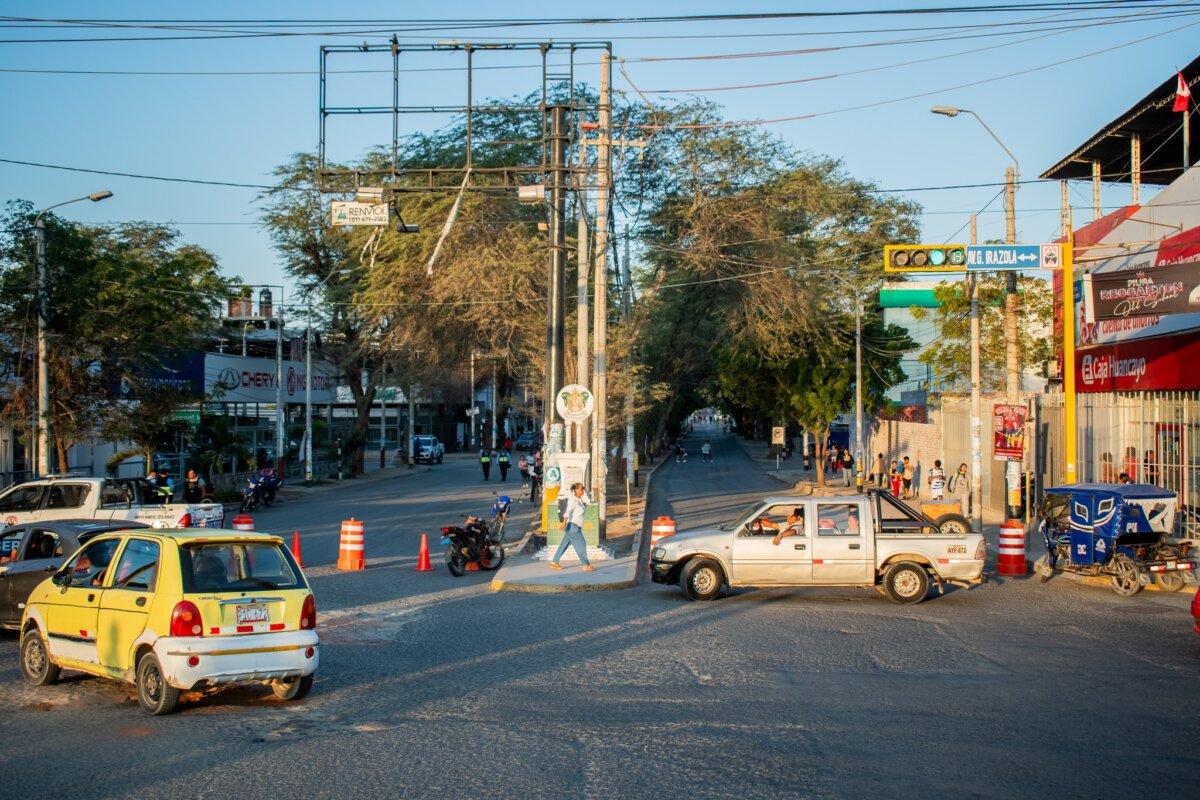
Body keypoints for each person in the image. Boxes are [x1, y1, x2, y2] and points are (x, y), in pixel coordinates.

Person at [550, 482, 597, 572]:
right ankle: (586, 565)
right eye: (581, 488)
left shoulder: (579, 500)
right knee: (582, 543)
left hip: (573, 527)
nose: (583, 490)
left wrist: (585, 496)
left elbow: (584, 506)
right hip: (572, 527)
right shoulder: (573, 500)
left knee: (564, 544)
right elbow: (567, 512)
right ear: (576, 490)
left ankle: (554, 562)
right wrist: (563, 523)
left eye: (583, 488)